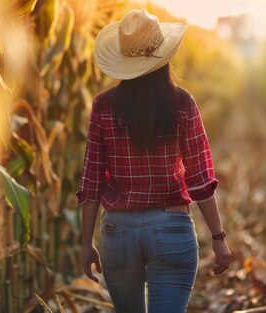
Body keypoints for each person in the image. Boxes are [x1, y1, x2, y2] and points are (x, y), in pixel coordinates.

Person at [77, 9, 231, 313]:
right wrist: (218, 237)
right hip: (171, 227)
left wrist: (85, 244)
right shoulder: (182, 102)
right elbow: (199, 179)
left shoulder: (103, 106)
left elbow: (92, 182)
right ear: (163, 55)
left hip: (118, 233)